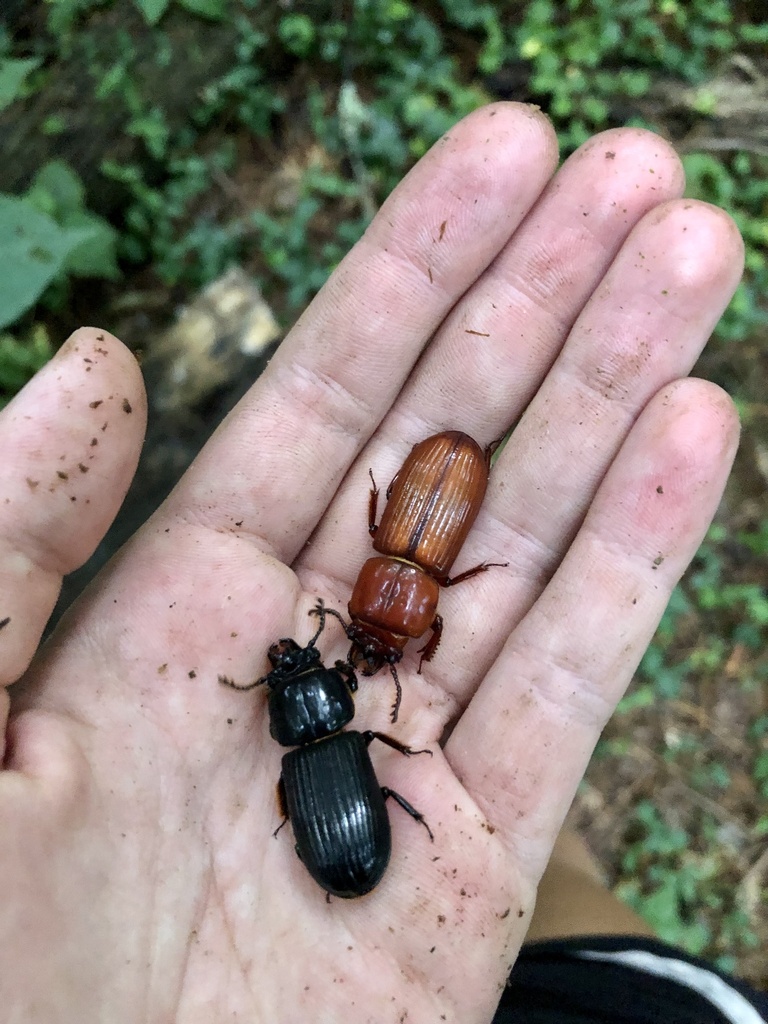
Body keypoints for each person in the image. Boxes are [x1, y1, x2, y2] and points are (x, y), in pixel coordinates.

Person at [0, 102, 762, 1023]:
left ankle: (556, 858)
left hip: (418, 543)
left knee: (546, 856)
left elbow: (388, 629)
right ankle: (557, 857)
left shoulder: (378, 611)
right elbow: (394, 635)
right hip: (427, 552)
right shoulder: (389, 622)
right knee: (544, 846)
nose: (349, 659)